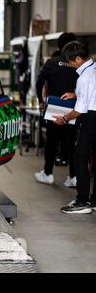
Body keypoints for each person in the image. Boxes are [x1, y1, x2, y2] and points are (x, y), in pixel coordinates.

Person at [53, 41, 96, 214]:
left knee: (80, 157)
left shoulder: (84, 78)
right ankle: (93, 200)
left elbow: (79, 110)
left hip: (91, 118)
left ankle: (82, 201)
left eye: (69, 61)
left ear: (78, 59)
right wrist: (76, 94)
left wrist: (63, 118)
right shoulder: (93, 69)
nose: (69, 64)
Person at [34, 33, 78, 187]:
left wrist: (41, 100)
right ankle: (74, 176)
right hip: (74, 107)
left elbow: (39, 82)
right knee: (72, 143)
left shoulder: (51, 62)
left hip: (54, 106)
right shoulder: (78, 64)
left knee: (52, 141)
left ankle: (48, 173)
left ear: (59, 46)